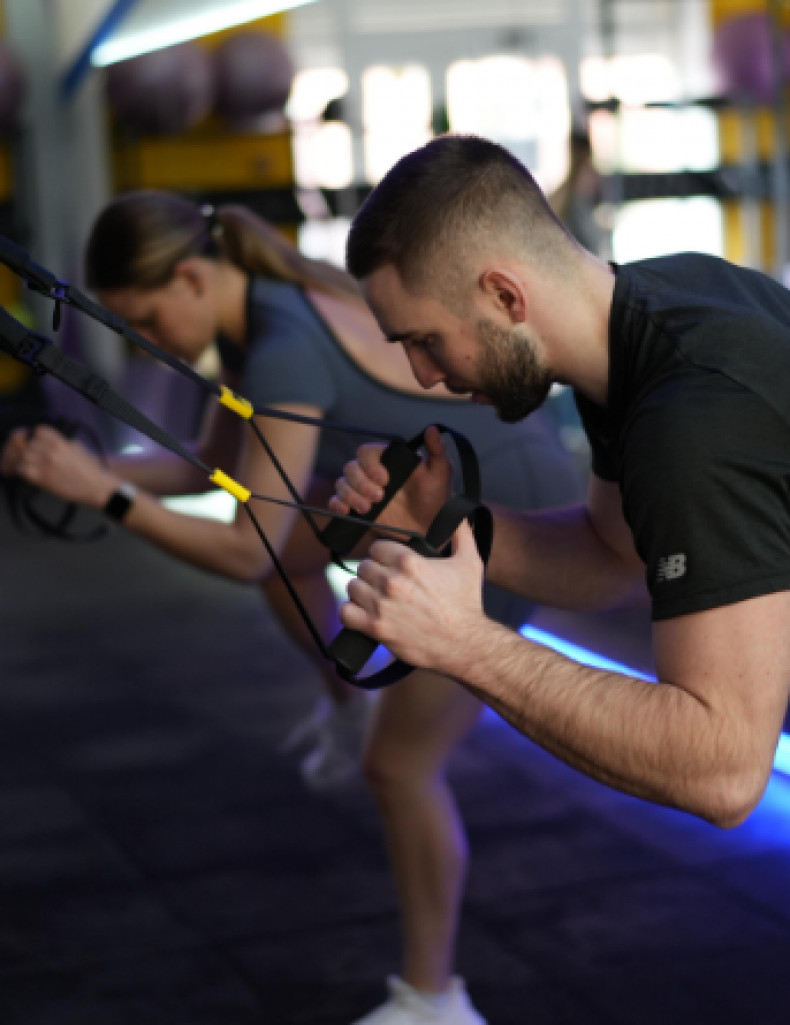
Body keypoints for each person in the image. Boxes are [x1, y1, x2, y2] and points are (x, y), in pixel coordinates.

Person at [0, 190, 581, 1025]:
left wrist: (107, 496)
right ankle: (347, 704)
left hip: (503, 506)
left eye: (149, 319)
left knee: (399, 767)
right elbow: (207, 466)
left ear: (191, 278)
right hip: (431, 495)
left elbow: (249, 546)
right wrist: (85, 471)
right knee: (291, 547)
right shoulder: (252, 324)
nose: (150, 340)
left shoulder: (279, 346)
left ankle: (435, 1000)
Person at [330, 132, 790, 831]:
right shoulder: (659, 310)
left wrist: (464, 642)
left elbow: (721, 768)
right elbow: (615, 559)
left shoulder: (690, 414)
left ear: (505, 295)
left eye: (427, 340)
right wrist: (440, 520)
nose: (423, 375)